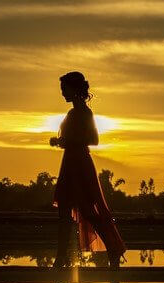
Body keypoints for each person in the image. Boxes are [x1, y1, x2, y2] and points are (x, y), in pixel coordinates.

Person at [50, 71, 127, 269]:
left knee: (88, 211)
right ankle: (60, 260)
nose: (62, 93)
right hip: (70, 162)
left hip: (80, 164)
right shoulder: (73, 113)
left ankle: (113, 249)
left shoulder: (84, 113)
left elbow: (94, 139)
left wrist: (66, 141)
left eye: (64, 89)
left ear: (74, 89)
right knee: (64, 214)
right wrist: (61, 142)